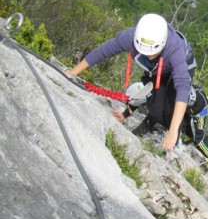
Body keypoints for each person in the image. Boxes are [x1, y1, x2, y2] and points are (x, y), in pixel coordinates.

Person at [65, 13, 195, 153]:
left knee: (170, 107)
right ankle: (166, 123)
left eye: (152, 53)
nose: (148, 56)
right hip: (157, 71)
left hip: (181, 67)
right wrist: (72, 73)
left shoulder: (175, 49)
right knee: (156, 112)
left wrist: (173, 131)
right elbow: (102, 52)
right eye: (144, 52)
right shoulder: (129, 37)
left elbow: (182, 87)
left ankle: (178, 135)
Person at [114, 81, 208, 173]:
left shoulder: (160, 99)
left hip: (198, 106)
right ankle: (188, 140)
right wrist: (124, 115)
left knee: (197, 136)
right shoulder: (150, 90)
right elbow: (137, 100)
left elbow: (153, 118)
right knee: (185, 127)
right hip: (185, 103)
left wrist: (133, 135)